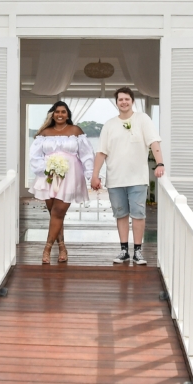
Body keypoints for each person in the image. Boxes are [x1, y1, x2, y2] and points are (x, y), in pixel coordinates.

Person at [91, 87, 165, 264]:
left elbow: (153, 142)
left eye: (127, 99)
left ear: (132, 101)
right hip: (115, 178)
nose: (123, 102)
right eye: (120, 99)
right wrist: (95, 175)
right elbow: (101, 152)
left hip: (137, 178)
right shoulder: (109, 124)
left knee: (138, 214)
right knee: (121, 214)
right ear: (116, 103)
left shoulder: (142, 119)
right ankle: (124, 250)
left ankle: (138, 251)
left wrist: (160, 163)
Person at [29, 101, 95, 264]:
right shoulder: (45, 132)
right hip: (49, 176)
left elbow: (87, 154)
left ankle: (47, 249)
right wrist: (45, 168)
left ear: (68, 114)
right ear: (52, 114)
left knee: (58, 212)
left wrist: (90, 174)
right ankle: (62, 247)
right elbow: (34, 155)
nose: (60, 114)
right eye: (57, 111)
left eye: (63, 112)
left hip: (70, 175)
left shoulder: (76, 131)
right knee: (54, 215)